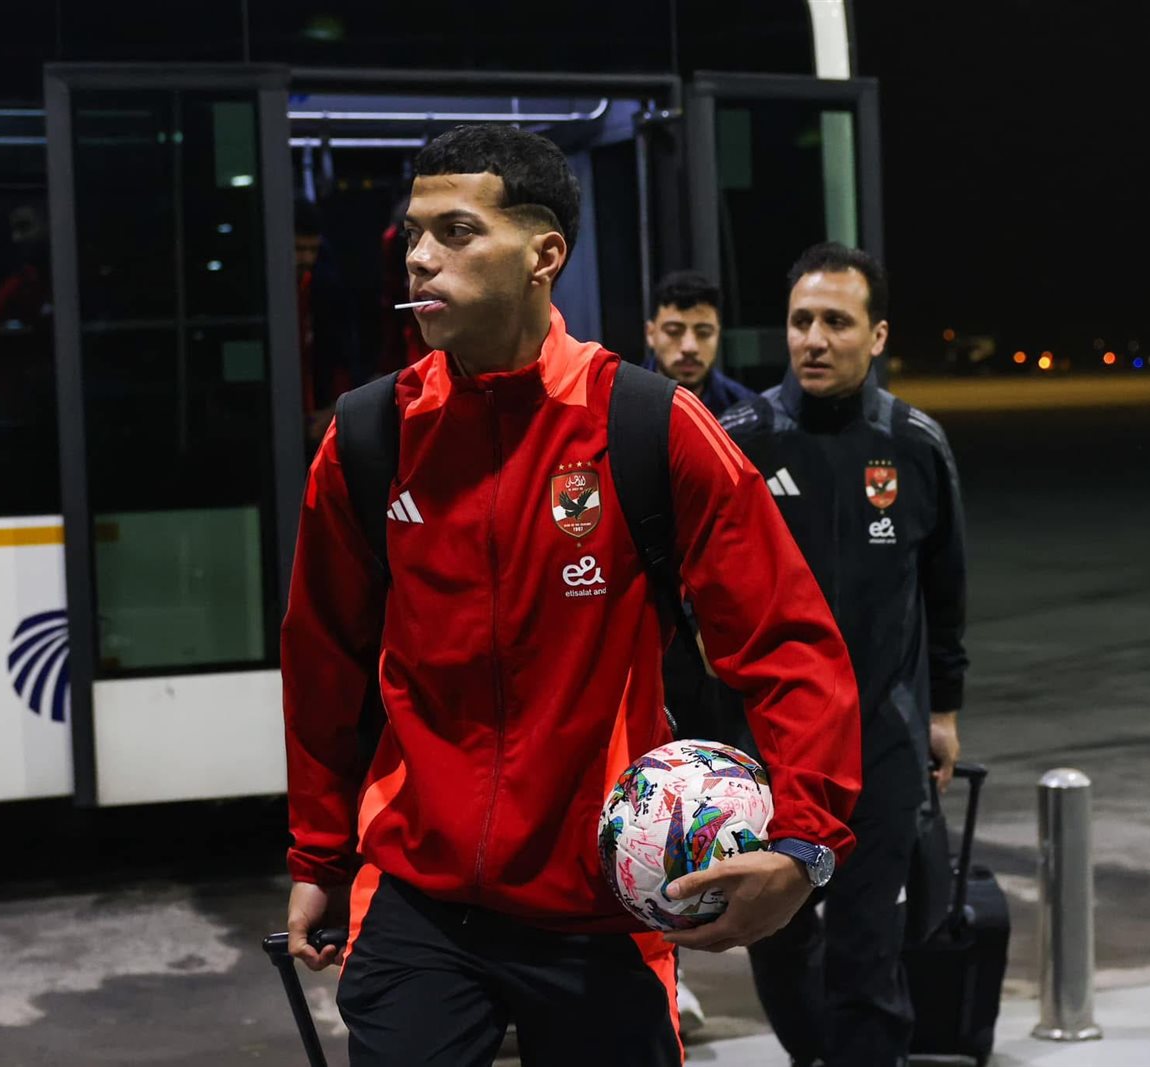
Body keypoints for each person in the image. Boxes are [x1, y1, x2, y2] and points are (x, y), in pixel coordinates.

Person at [281, 124, 862, 1066]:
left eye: (457, 231)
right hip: (417, 897)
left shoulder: (648, 426)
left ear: (544, 254)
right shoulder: (369, 436)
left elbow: (788, 641)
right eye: (414, 232)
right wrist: (318, 853)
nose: (419, 257)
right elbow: (323, 662)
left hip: (600, 904)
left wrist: (805, 843)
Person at [715, 242, 969, 1067]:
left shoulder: (915, 444)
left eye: (836, 321)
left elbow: (945, 590)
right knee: (778, 936)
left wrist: (943, 711)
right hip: (769, 748)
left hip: (880, 739)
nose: (814, 339)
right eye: (800, 321)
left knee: (869, 951)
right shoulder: (740, 441)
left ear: (878, 334)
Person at [641, 269, 758, 417]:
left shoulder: (746, 411)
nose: (690, 347)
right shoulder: (620, 404)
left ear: (718, 335)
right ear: (650, 334)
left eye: (704, 333)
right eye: (674, 332)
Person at [294, 198, 360, 452]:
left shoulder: (325, 287)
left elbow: (342, 355)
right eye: (299, 249)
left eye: (312, 250)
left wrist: (334, 409)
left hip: (319, 412)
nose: (307, 259)